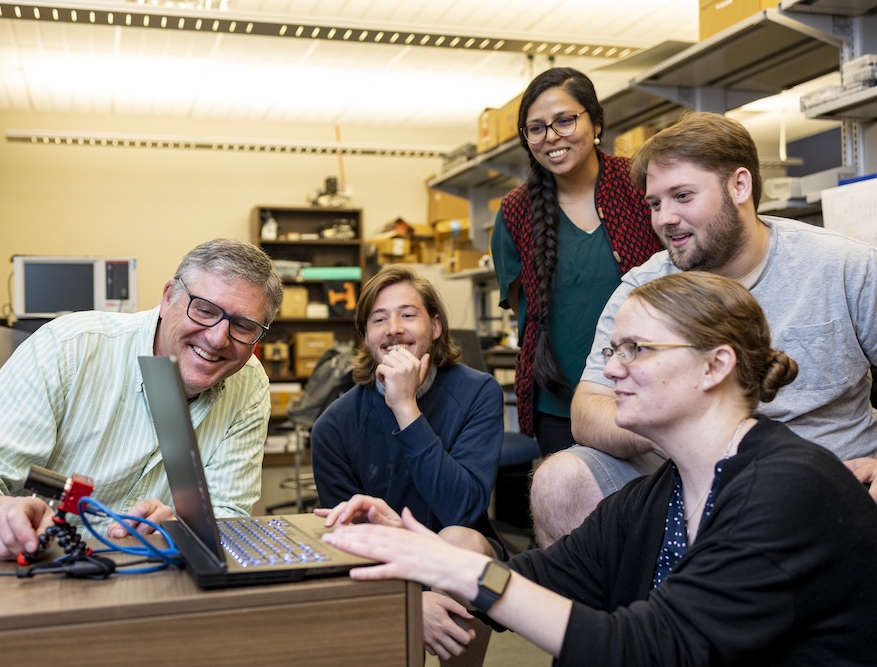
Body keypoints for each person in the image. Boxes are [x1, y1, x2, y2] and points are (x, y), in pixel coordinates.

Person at [322, 271, 877, 666]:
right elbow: (542, 577)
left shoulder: (788, 488)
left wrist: (460, 572)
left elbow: (652, 648)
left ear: (716, 365)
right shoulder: (657, 497)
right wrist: (436, 557)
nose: (611, 369)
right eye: (614, 349)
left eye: (636, 348)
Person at [530, 111, 877, 547]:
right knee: (559, 479)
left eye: (682, 196)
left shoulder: (845, 267)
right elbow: (588, 409)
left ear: (740, 186)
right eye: (655, 204)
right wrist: (677, 419)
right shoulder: (644, 286)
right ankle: (609, 617)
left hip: (826, 475)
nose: (664, 218)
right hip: (678, 478)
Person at [0, 238, 283, 561]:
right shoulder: (70, 347)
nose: (219, 338)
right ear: (168, 296)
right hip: (29, 570)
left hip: (145, 576)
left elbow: (228, 514)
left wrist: (179, 528)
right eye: (204, 310)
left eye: (243, 326)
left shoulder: (249, 384)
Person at [311, 264, 505, 663]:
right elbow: (349, 539)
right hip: (383, 559)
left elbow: (464, 509)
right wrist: (413, 600)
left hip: (460, 554)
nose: (394, 328)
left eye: (408, 314)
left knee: (463, 541)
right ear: (366, 336)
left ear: (435, 326)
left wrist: (405, 408)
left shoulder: (477, 392)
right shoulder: (333, 425)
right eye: (379, 319)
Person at [490, 67, 662, 452]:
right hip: (558, 402)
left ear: (596, 121)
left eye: (564, 121)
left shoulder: (639, 183)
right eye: (536, 128)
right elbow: (527, 317)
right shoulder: (516, 212)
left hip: (649, 389)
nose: (551, 137)